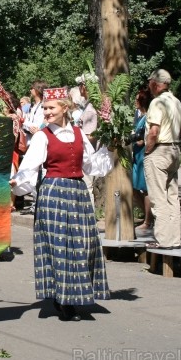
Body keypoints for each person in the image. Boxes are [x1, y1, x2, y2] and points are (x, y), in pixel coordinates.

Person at [10, 87, 112, 321]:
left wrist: (109, 148)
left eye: (50, 108)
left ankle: (76, 293)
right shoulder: (42, 136)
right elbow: (30, 167)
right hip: (54, 193)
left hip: (77, 193)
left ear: (65, 108)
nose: (46, 112)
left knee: (83, 244)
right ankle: (65, 300)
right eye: (44, 108)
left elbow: (90, 166)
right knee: (60, 247)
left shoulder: (78, 134)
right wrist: (17, 182)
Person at [144, 69, 181, 250]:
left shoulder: (157, 102)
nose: (148, 86)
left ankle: (162, 240)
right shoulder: (176, 102)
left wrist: (147, 150)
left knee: (158, 197)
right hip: (175, 149)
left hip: (160, 150)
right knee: (173, 197)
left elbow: (154, 131)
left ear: (155, 83)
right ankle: (174, 239)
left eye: (150, 82)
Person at [20, 80, 48, 215]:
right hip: (30, 140)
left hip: (39, 140)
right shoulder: (32, 106)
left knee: (39, 173)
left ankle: (39, 203)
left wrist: (36, 127)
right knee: (31, 173)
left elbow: (42, 123)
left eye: (32, 88)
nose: (30, 90)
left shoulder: (44, 106)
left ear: (37, 90)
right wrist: (26, 124)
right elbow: (29, 123)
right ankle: (34, 204)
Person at [132, 89, 153, 236]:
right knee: (133, 187)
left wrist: (135, 138)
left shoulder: (147, 118)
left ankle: (148, 220)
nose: (134, 101)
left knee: (145, 188)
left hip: (143, 154)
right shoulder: (138, 116)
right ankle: (147, 213)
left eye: (137, 99)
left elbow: (142, 139)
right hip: (136, 155)